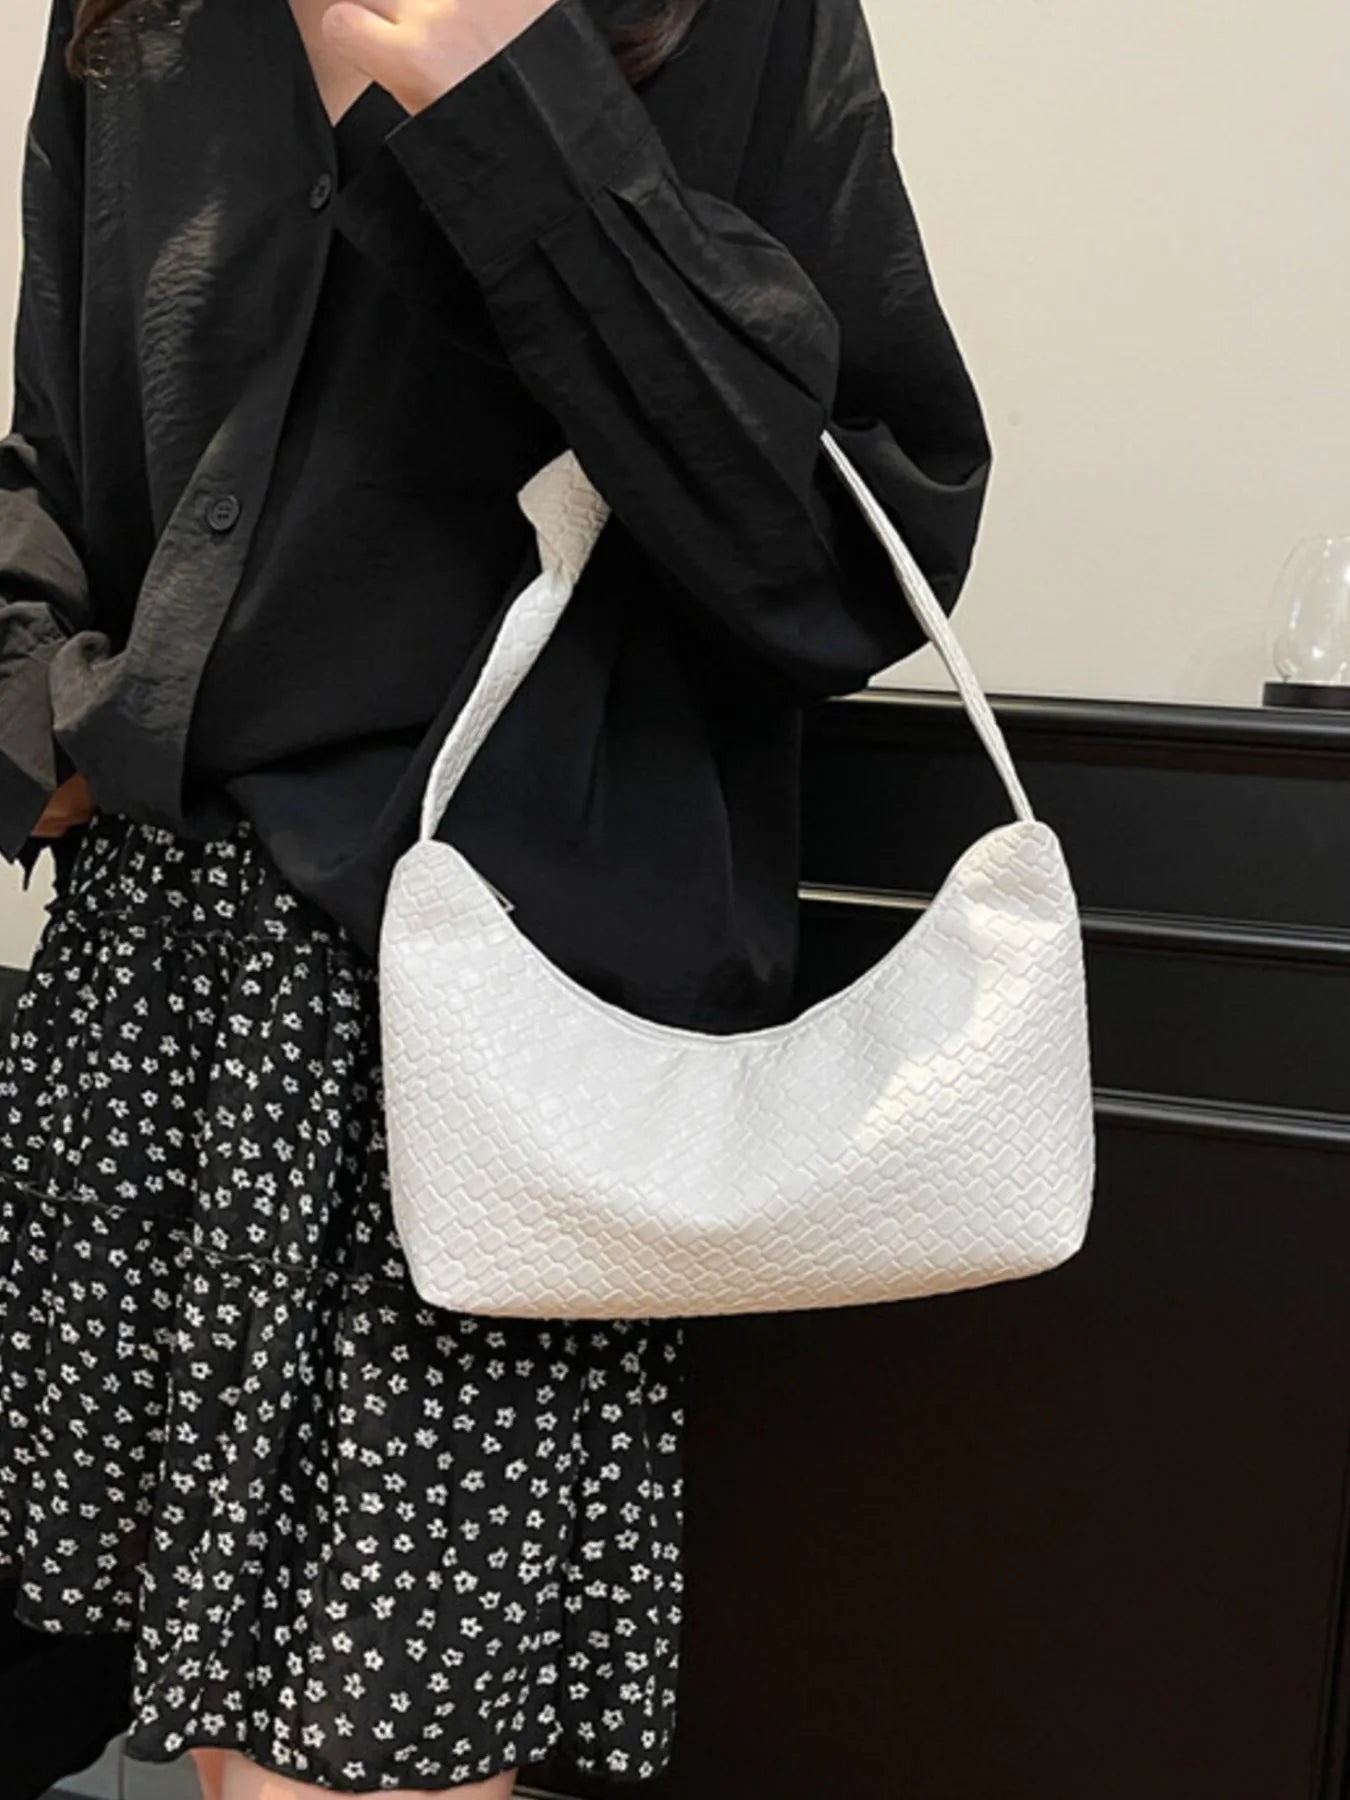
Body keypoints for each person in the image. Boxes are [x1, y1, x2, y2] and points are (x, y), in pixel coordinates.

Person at [0, 0, 993, 1793]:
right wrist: (44, 728)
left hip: (493, 1002)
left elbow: (853, 556)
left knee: (376, 1750)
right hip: (165, 975)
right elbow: (57, 459)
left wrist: (506, 108)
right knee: (200, 1729)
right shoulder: (139, 15)